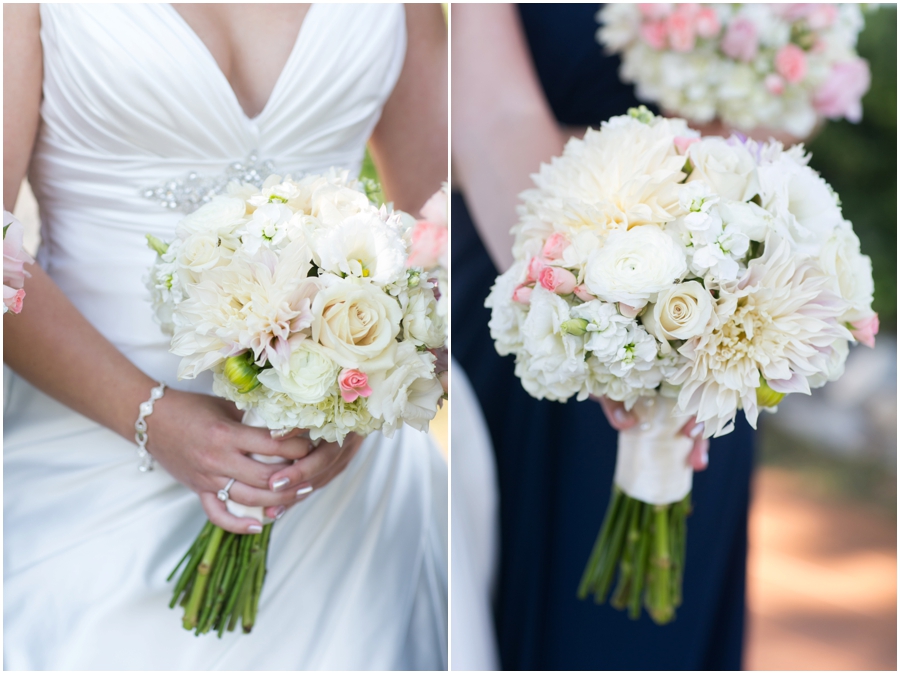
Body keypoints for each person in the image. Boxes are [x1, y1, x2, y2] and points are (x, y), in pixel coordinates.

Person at [3, 4, 447, 669]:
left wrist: (366, 392)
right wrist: (153, 417)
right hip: (89, 440)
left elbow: (439, 222)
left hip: (342, 489)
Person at [452, 4, 764, 669]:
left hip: (714, 277)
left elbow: (776, 125)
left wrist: (713, 247)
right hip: (537, 268)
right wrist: (598, 312)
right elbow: (492, 124)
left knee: (668, 617)